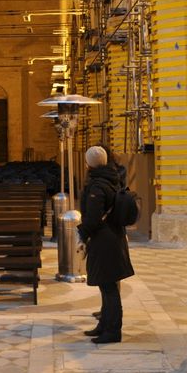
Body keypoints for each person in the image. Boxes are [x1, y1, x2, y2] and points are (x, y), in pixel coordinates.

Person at [77, 145, 137, 344]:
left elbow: (93, 218)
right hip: (113, 237)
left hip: (104, 241)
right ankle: (104, 325)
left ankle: (112, 331)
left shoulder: (97, 186)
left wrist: (82, 232)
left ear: (89, 164)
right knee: (106, 285)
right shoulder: (112, 179)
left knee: (109, 288)